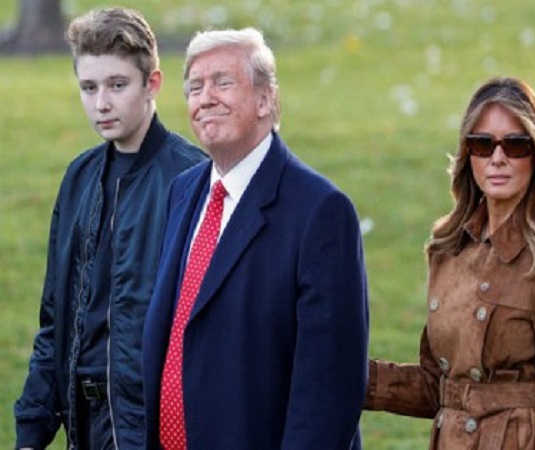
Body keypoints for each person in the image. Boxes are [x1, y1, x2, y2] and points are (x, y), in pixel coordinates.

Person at [142, 27, 369, 449]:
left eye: (222, 82)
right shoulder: (183, 192)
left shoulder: (320, 211)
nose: (205, 98)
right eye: (195, 87)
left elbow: (329, 389)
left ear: (266, 100)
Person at [365, 77, 535, 449]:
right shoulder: (449, 250)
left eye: (516, 144)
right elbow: (438, 387)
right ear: (467, 154)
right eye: (483, 144)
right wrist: (353, 377)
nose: (498, 158)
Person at [14, 7, 207, 449]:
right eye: (89, 87)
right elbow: (54, 320)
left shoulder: (192, 179)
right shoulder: (78, 179)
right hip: (83, 423)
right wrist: (31, 430)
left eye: (117, 85)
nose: (101, 103)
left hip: (154, 427)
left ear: (152, 83)